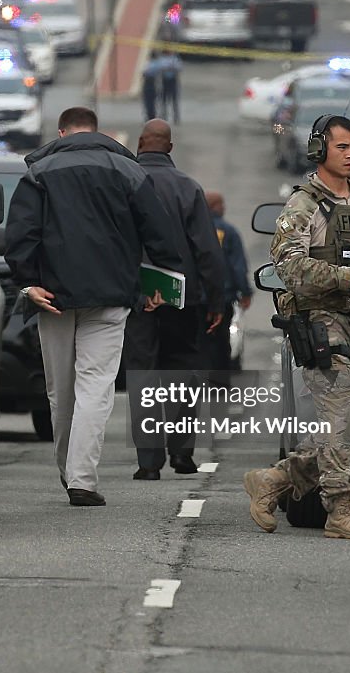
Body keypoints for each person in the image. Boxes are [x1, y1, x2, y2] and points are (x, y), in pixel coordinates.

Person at [243, 115, 350, 540]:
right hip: (319, 318)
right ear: (320, 150)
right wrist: (346, 277)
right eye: (342, 147)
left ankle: (274, 480)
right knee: (339, 407)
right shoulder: (304, 205)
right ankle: (341, 508)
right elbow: (288, 265)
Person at [4, 107, 185, 507]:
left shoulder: (38, 172)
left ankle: (68, 470)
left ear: (62, 130)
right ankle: (81, 479)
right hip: (112, 294)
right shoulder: (129, 170)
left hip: (52, 296)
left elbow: (21, 232)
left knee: (60, 391)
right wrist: (162, 278)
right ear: (96, 131)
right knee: (96, 386)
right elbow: (158, 229)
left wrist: (27, 283)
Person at [123, 120, 226, 480]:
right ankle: (182, 454)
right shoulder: (188, 188)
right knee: (181, 375)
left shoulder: (124, 183)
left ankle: (148, 463)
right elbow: (207, 251)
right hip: (184, 299)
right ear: (170, 147)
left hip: (137, 299)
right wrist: (216, 301)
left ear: (139, 144)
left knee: (144, 375)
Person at [205, 190, 252, 377]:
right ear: (216, 207)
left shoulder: (194, 229)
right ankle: (220, 382)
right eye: (221, 204)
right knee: (221, 341)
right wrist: (245, 292)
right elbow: (237, 266)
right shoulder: (228, 232)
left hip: (197, 299)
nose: (224, 208)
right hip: (223, 299)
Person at [142, 52, 163, 121]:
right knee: (153, 102)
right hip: (154, 83)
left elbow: (145, 73)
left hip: (149, 83)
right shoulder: (158, 63)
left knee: (149, 102)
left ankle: (150, 116)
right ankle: (152, 115)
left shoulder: (149, 64)